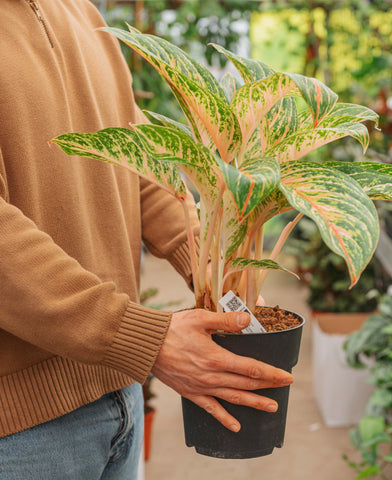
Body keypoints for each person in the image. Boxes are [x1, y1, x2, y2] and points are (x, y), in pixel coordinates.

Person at [0, 1, 293, 479]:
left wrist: (220, 265)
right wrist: (143, 341)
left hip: (120, 393)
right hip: (19, 431)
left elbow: (138, 159)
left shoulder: (77, 9)